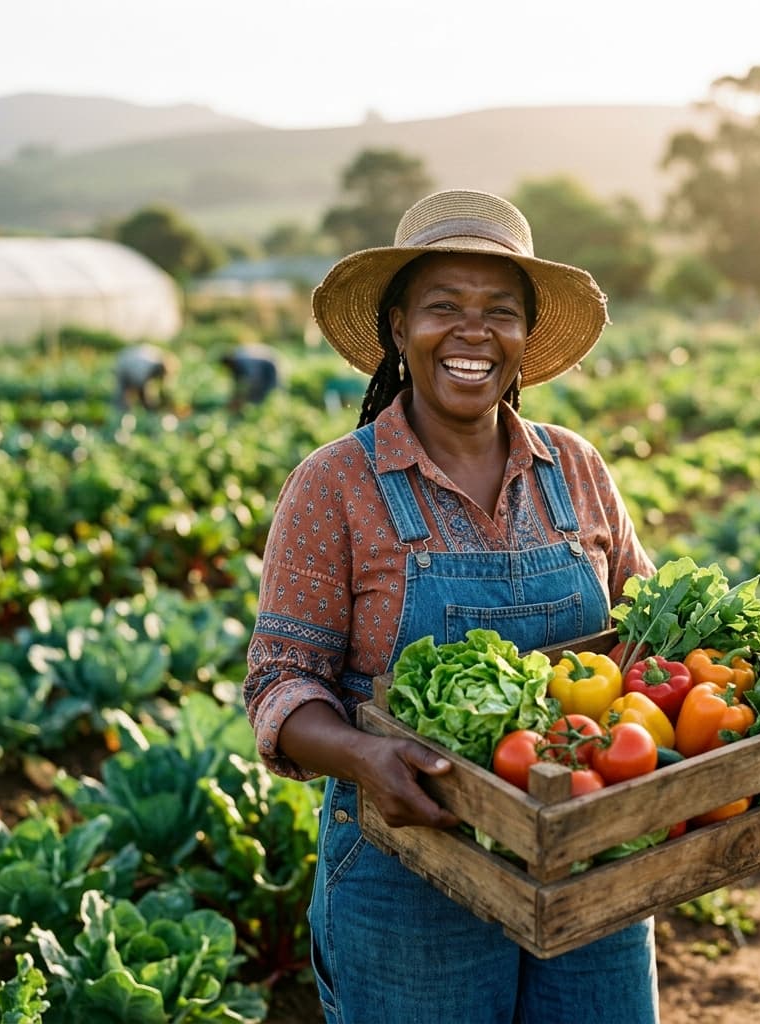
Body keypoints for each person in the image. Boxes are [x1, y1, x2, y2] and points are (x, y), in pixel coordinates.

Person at [241, 189, 659, 1023]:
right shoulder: (336, 485)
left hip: (586, 853)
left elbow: (644, 630)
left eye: (500, 311)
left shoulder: (575, 468)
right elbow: (279, 687)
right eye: (444, 308)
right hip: (409, 869)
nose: (474, 332)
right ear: (399, 329)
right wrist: (365, 760)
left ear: (526, 337)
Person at [113, 342, 176, 410]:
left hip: (133, 359)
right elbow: (141, 387)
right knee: (123, 395)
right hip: (124, 365)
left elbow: (164, 383)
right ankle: (120, 411)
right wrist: (149, 403)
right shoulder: (145, 367)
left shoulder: (162, 359)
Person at [220, 342, 280, 411]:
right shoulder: (235, 365)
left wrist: (243, 398)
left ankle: (273, 408)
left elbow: (255, 380)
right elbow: (237, 383)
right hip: (261, 362)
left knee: (272, 389)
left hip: (270, 362)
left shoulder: (243, 361)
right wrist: (235, 397)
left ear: (229, 361)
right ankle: (258, 407)